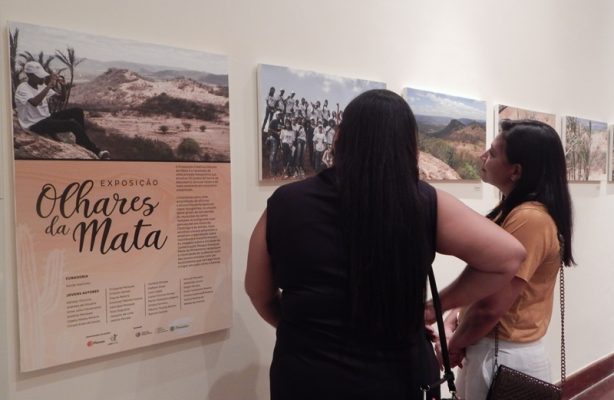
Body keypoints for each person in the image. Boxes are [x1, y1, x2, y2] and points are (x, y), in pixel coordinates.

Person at [245, 89, 525, 400]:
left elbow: (258, 292)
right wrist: (434, 308)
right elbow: (508, 257)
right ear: (408, 145)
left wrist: (303, 326)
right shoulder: (425, 203)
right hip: (393, 378)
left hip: (305, 375)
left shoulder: (284, 203)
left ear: (339, 137)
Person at [435, 119, 575, 400]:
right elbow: (483, 282)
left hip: (503, 356)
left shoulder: (529, 219)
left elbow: (491, 304)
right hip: (492, 349)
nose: (482, 156)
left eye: (493, 153)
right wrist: (454, 320)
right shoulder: (515, 210)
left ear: (516, 171)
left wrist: (453, 342)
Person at [14, 61, 110, 159]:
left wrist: (63, 86)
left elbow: (62, 99)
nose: (42, 78)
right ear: (29, 75)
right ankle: (96, 151)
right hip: (34, 123)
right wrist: (49, 85)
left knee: (77, 111)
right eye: (39, 76)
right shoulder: (23, 88)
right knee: (72, 124)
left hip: (46, 118)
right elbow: (34, 102)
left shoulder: (40, 86)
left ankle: (81, 140)